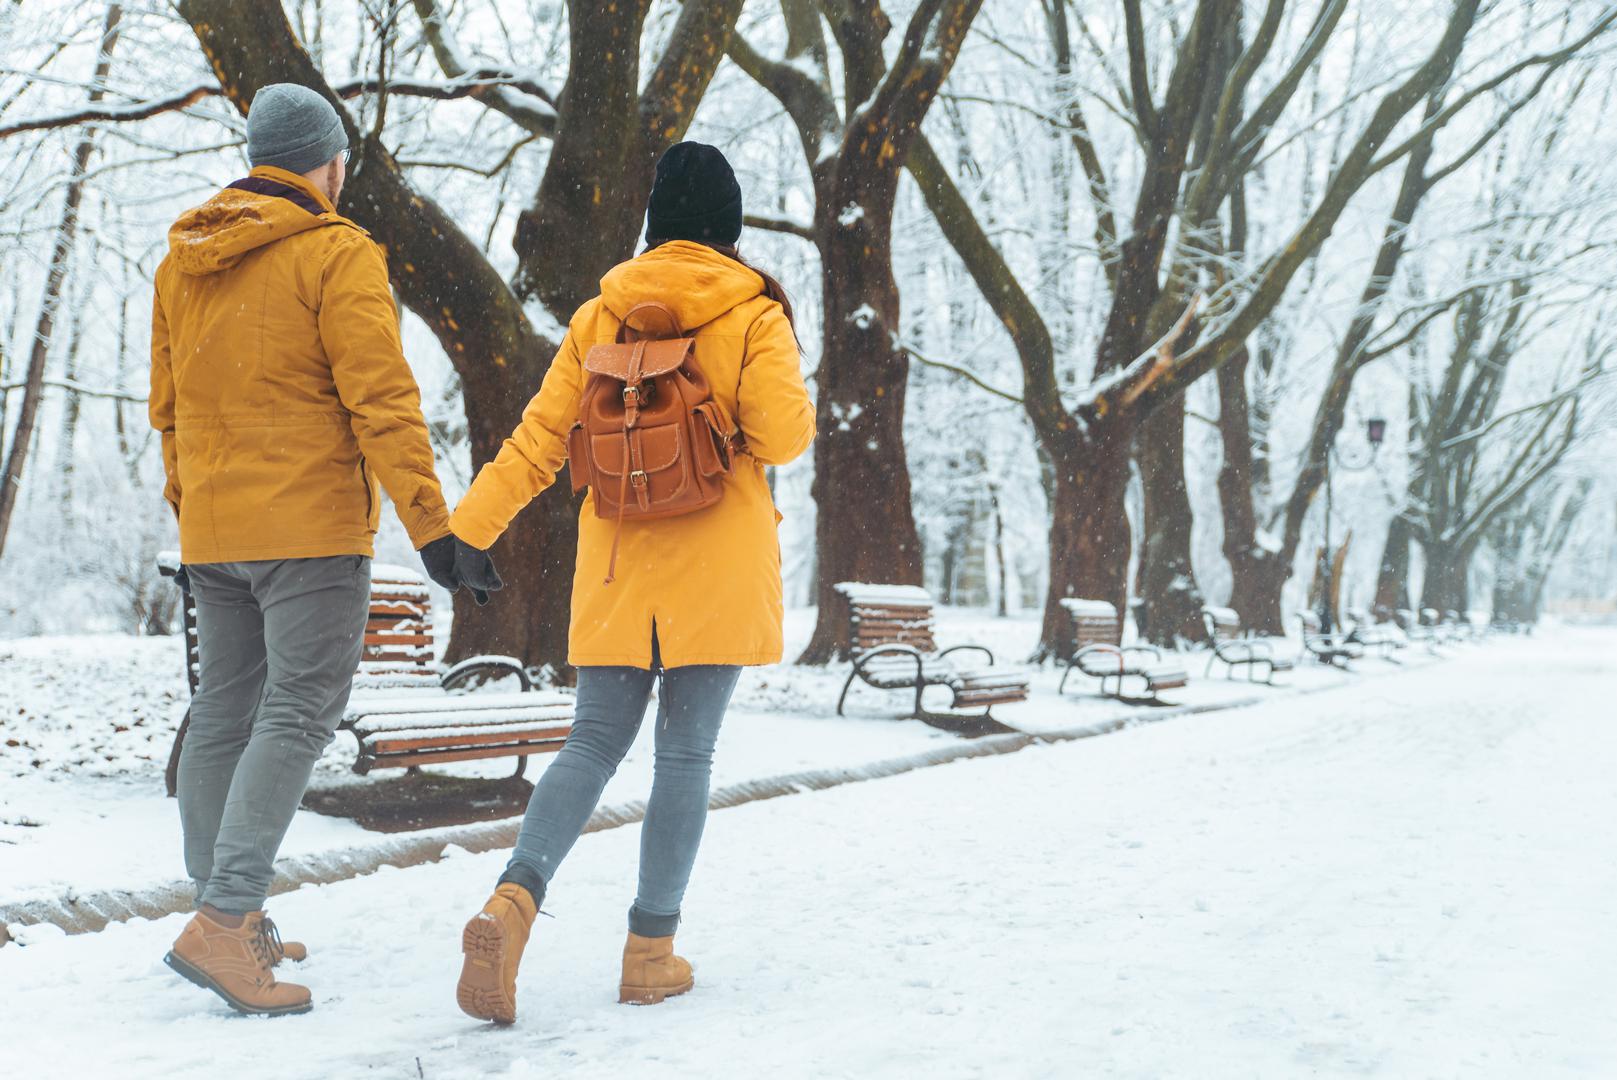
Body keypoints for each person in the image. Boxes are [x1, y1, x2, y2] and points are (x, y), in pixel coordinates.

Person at [450, 141, 816, 1024]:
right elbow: (784, 435)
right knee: (684, 757)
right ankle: (650, 953)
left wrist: (467, 530)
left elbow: (539, 439)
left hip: (618, 563)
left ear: (653, 224)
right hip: (714, 567)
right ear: (727, 228)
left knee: (590, 747)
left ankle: (511, 904)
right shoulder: (751, 311)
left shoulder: (599, 317)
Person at [149, 83, 485, 1016]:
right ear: (327, 163)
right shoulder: (335, 252)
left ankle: (222, 911)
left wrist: (199, 509)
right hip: (309, 532)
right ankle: (223, 922)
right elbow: (382, 400)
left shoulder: (184, 259)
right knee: (299, 710)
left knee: (224, 710)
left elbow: (167, 411)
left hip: (214, 534)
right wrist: (434, 528)